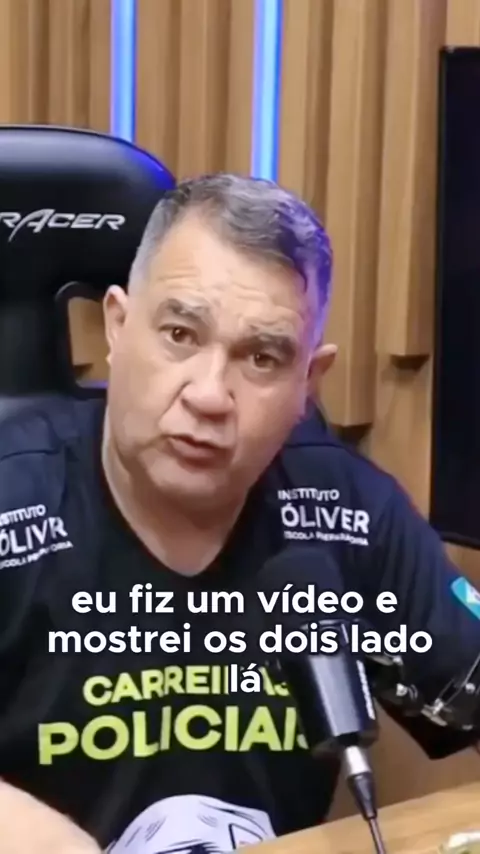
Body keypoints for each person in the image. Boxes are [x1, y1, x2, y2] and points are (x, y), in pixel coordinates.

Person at [0, 174, 479, 854]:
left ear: (307, 384)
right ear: (118, 325)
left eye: (261, 358)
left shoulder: (346, 511)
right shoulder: (13, 502)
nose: (209, 395)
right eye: (179, 334)